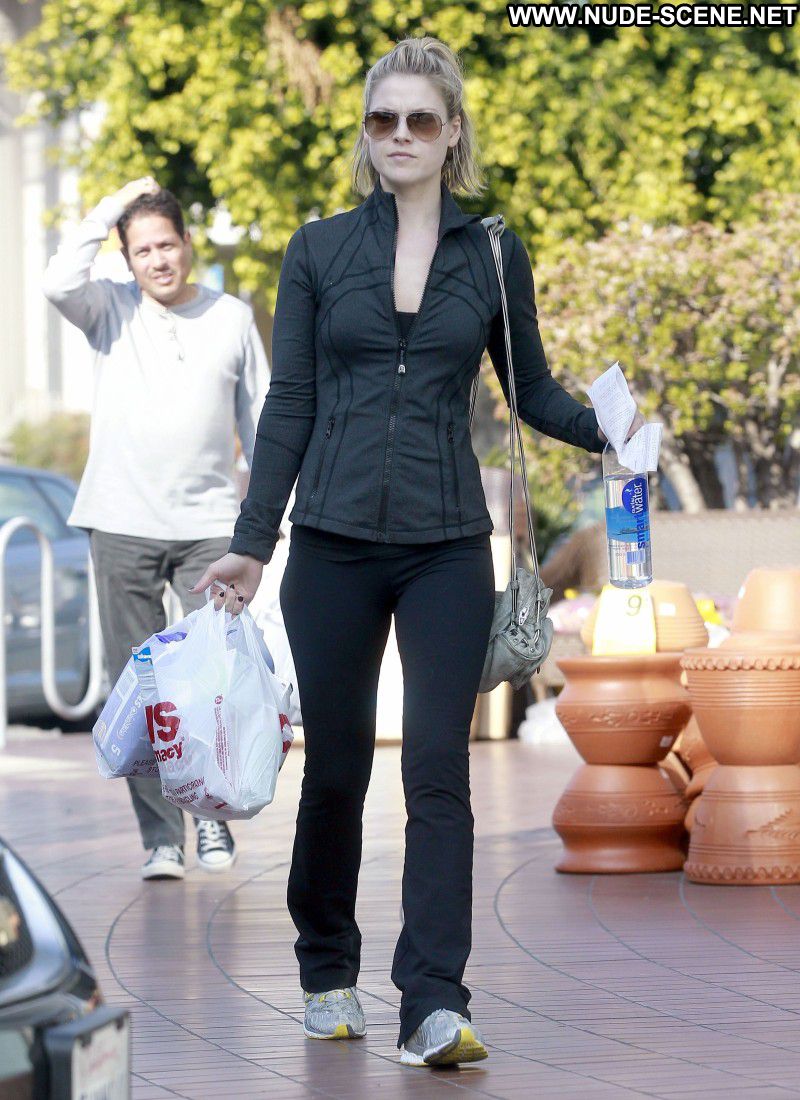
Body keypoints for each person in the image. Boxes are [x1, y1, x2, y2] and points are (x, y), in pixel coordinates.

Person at [192, 36, 643, 1067]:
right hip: (331, 547)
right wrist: (251, 544)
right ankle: (325, 970)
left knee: (439, 769)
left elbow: (529, 387)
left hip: (445, 547)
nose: (399, 135)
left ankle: (433, 1000)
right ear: (366, 133)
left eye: (419, 119)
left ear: (451, 134)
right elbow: (290, 402)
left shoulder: (491, 253)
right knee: (337, 769)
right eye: (381, 118)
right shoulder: (315, 250)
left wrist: (608, 433)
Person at [43, 178, 270, 881]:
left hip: (210, 526)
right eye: (142, 251)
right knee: (140, 687)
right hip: (121, 521)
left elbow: (261, 419)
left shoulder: (231, 317)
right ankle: (162, 839)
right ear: (128, 259)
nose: (158, 260)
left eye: (166, 244)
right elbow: (57, 280)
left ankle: (213, 816)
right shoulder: (108, 309)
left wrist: (265, 523)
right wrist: (114, 205)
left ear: (187, 243)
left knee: (213, 682)